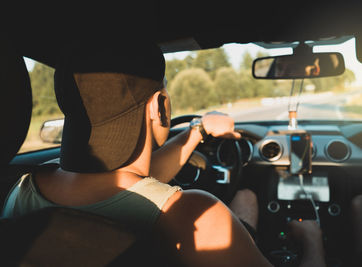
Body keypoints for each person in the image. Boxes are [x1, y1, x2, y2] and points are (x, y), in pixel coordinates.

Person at [2, 41, 325, 266]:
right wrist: (313, 241)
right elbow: (136, 189)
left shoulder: (21, 188)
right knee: (249, 200)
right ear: (161, 106)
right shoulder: (193, 214)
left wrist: (197, 131)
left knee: (245, 202)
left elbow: (126, 184)